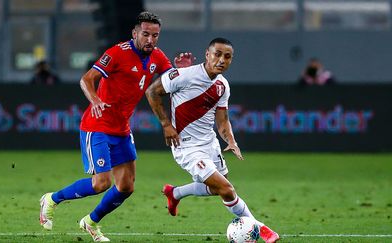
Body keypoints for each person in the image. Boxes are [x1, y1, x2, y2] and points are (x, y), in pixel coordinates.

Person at [39, 12, 194, 242]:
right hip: (97, 125)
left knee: (126, 186)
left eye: (155, 35)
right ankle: (52, 199)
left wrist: (183, 71)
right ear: (135, 33)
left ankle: (91, 222)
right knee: (102, 183)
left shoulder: (158, 57)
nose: (150, 40)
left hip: (121, 129)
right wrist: (96, 100)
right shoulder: (117, 53)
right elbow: (87, 79)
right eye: (145, 34)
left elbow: (173, 81)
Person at [145, 37, 280, 243]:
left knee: (216, 188)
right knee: (226, 189)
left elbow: (223, 120)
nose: (222, 60)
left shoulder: (222, 85)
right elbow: (152, 91)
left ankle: (175, 193)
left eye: (227, 57)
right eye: (217, 54)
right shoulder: (183, 75)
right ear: (207, 55)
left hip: (210, 143)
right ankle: (260, 229)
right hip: (187, 147)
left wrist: (231, 141)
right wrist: (166, 125)